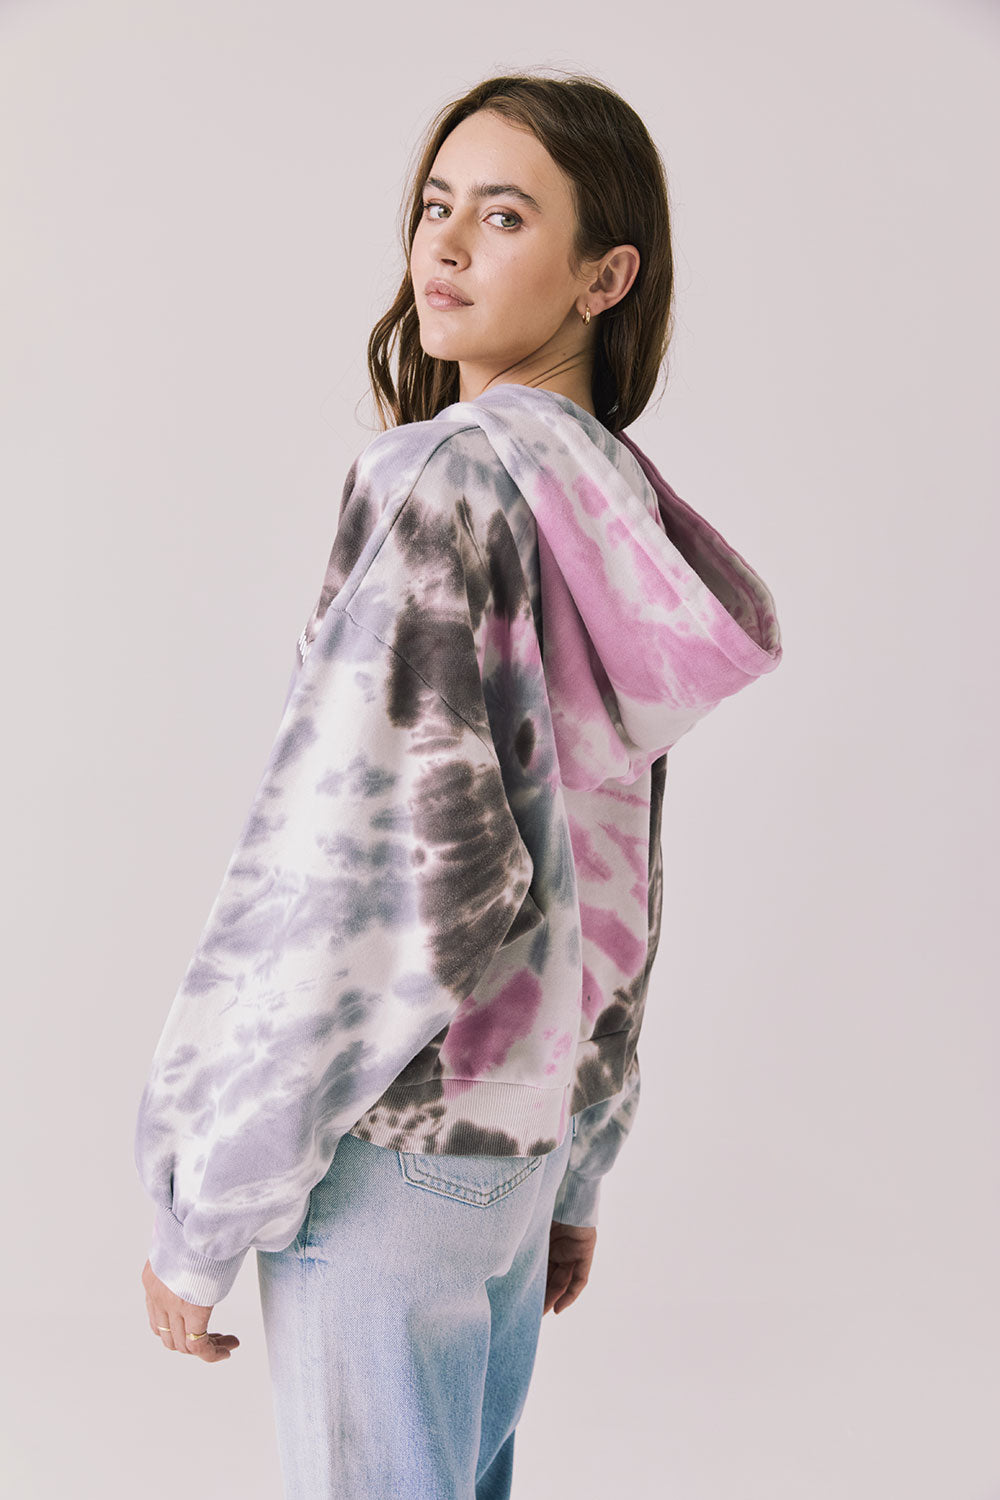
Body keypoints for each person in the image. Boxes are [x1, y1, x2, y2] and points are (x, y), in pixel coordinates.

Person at [134, 69, 783, 1499]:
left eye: (503, 217)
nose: (444, 248)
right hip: (513, 1150)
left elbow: (371, 882)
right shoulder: (603, 509)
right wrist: (584, 1154)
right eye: (438, 207)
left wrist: (209, 1187)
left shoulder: (447, 487)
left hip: (390, 1142)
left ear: (605, 276)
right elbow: (612, 883)